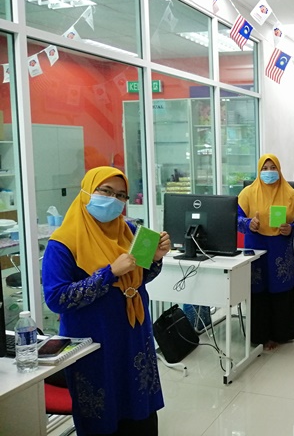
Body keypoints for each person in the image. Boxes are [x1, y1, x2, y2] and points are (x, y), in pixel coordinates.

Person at [42, 166, 171, 436]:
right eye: (106, 191)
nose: (114, 199)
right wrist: (109, 273)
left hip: (133, 335)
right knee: (102, 414)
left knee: (140, 413)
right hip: (94, 342)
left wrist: (156, 258)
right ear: (88, 191)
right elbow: (56, 298)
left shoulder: (129, 231)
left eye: (121, 195)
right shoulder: (62, 243)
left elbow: (139, 279)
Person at [237, 154, 294, 350]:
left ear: (279, 169)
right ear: (259, 171)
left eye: (272, 167)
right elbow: (236, 218)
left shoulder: (290, 194)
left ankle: (282, 333)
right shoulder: (247, 193)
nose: (269, 172)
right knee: (258, 289)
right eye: (265, 168)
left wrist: (291, 228)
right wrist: (248, 224)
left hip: (280, 248)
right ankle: (260, 335)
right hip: (256, 246)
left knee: (280, 287)